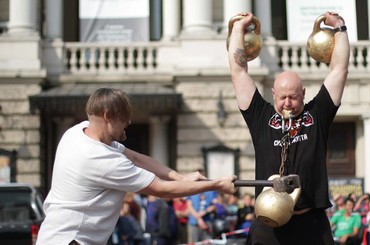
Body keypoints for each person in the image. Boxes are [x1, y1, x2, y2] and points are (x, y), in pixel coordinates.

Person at [35, 88, 237, 245]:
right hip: (72, 240)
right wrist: (217, 184)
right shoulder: (100, 159)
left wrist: (180, 177)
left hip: (56, 237)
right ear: (107, 116)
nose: (129, 122)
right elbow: (162, 190)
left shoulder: (77, 132)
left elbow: (137, 158)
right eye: (124, 116)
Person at [227, 11, 350, 245]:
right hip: (268, 222)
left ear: (303, 94)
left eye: (293, 97)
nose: (287, 103)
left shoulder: (317, 114)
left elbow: (339, 71)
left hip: (311, 222)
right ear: (273, 94)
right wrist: (237, 30)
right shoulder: (260, 117)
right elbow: (238, 71)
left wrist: (340, 29)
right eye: (282, 97)